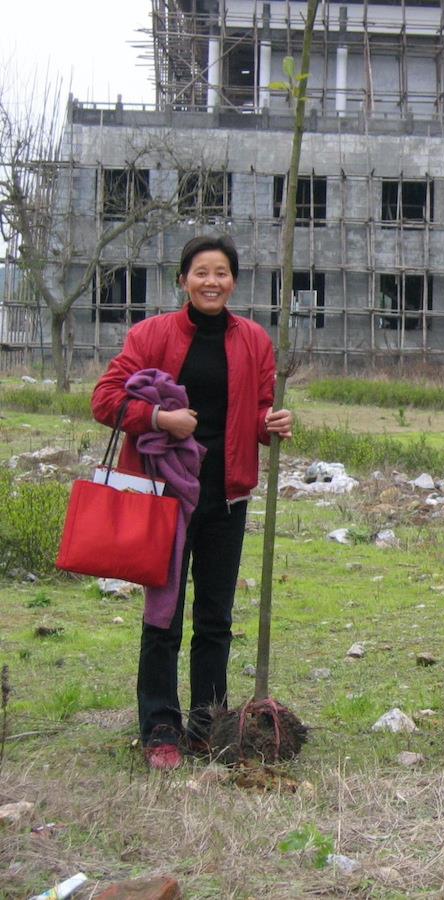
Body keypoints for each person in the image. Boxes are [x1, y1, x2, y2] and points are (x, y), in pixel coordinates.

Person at [92, 234, 292, 771]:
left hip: (226, 496)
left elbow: (256, 415)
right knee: (164, 614)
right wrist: (160, 419)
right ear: (183, 280)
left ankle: (207, 723)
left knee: (215, 617)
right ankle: (160, 725)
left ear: (234, 281)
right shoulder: (151, 334)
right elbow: (105, 399)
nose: (212, 282)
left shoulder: (254, 341)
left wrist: (272, 425)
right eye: (201, 272)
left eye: (222, 272)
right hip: (164, 496)